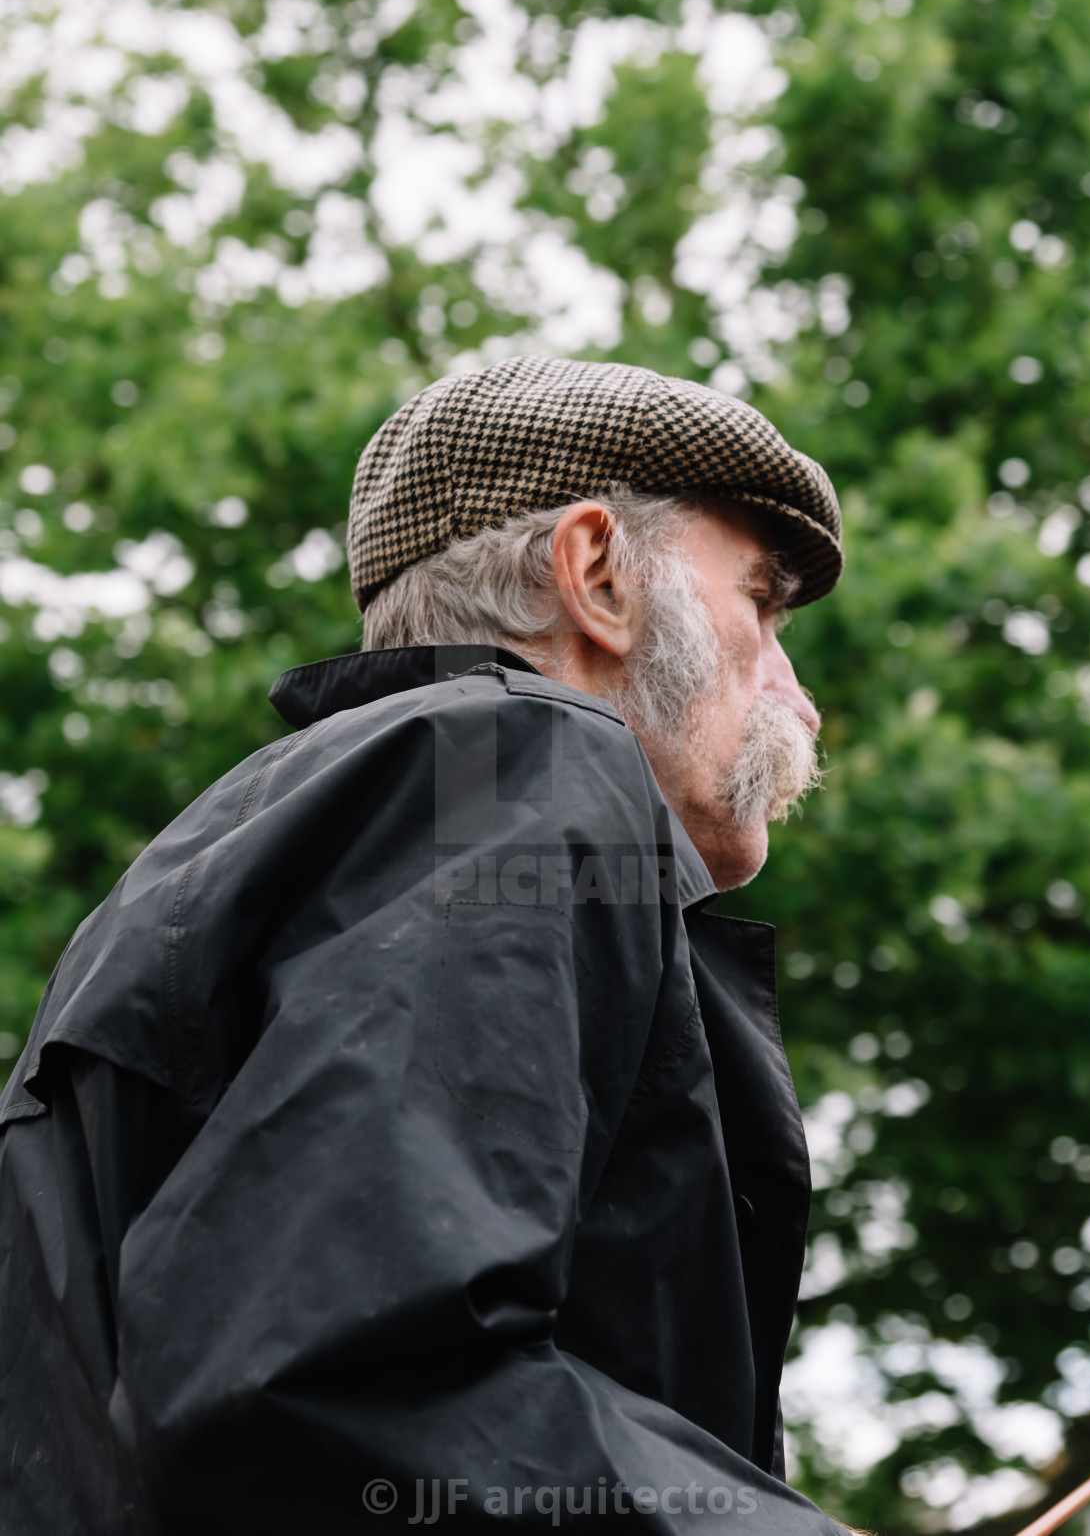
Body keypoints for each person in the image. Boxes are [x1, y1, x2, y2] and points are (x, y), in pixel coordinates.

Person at [0, 354, 850, 1534]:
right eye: (761, 604)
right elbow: (324, 1371)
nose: (799, 698)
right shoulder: (512, 759)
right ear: (597, 575)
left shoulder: (259, 848)